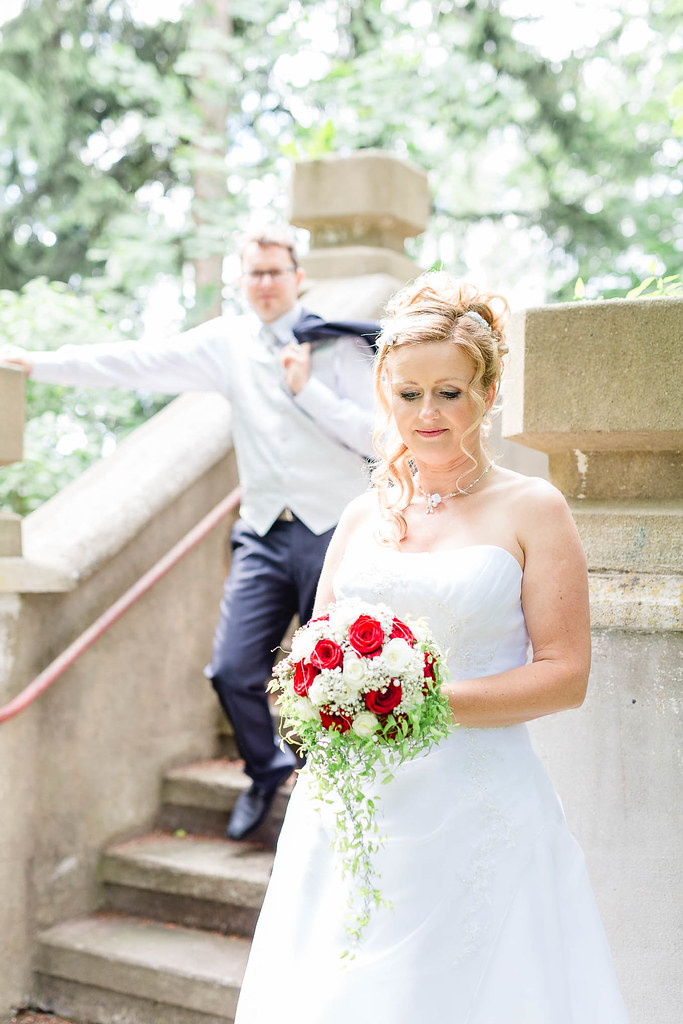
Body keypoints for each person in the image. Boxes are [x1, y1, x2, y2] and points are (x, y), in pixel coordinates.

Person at [234, 272, 630, 1023]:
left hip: (477, 804)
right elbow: (312, 658)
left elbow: (564, 676)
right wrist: (328, 704)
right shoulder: (358, 517)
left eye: (448, 392)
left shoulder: (533, 508)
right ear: (385, 392)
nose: (427, 413)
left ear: (485, 392)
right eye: (408, 392)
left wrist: (418, 704)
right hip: (351, 807)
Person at [0, 226, 379, 841]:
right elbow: (136, 362)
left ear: (297, 275)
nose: (263, 284)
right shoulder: (228, 342)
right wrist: (38, 364)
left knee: (327, 677)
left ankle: (323, 800)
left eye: (274, 271)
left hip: (334, 532)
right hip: (261, 532)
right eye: (253, 273)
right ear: (240, 279)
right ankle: (266, 768)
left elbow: (376, 439)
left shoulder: (337, 344)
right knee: (231, 670)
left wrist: (307, 392)